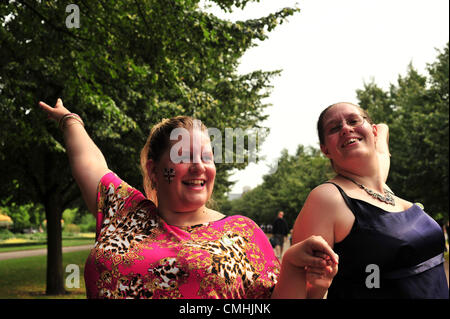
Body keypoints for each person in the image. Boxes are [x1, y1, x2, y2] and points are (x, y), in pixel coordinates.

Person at [38, 98, 338, 299]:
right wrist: (69, 119)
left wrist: (303, 277)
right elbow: (89, 163)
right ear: (153, 170)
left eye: (206, 157)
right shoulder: (124, 211)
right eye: (184, 155)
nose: (198, 166)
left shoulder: (242, 234)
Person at [292, 102, 449, 299]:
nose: (346, 129)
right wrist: (318, 289)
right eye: (334, 128)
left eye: (353, 121)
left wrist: (375, 133)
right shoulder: (326, 199)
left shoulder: (379, 185)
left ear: (372, 132)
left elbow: (383, 132)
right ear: (325, 150)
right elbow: (303, 289)